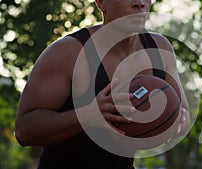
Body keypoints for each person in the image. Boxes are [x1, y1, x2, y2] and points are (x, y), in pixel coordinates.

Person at [15, 0, 190, 168]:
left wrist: (175, 123)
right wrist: (85, 116)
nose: (140, 2)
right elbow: (24, 131)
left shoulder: (159, 49)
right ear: (101, 2)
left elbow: (184, 115)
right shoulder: (68, 53)